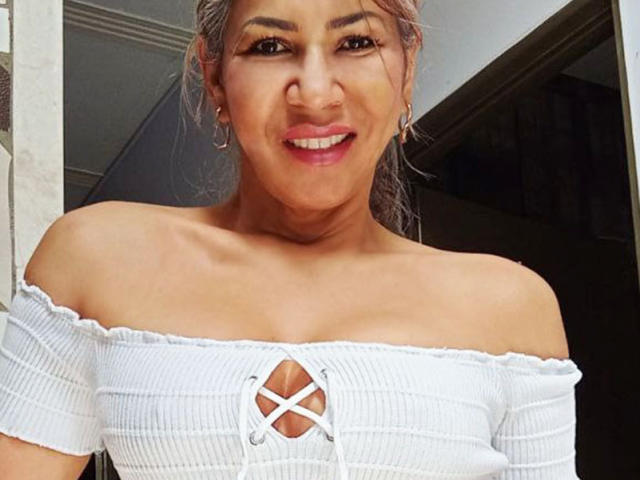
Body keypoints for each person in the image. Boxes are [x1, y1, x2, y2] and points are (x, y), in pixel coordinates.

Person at [0, 0, 583, 479]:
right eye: (270, 46)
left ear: (406, 71)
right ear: (214, 77)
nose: (316, 94)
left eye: (356, 42)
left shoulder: (510, 309)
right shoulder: (96, 259)